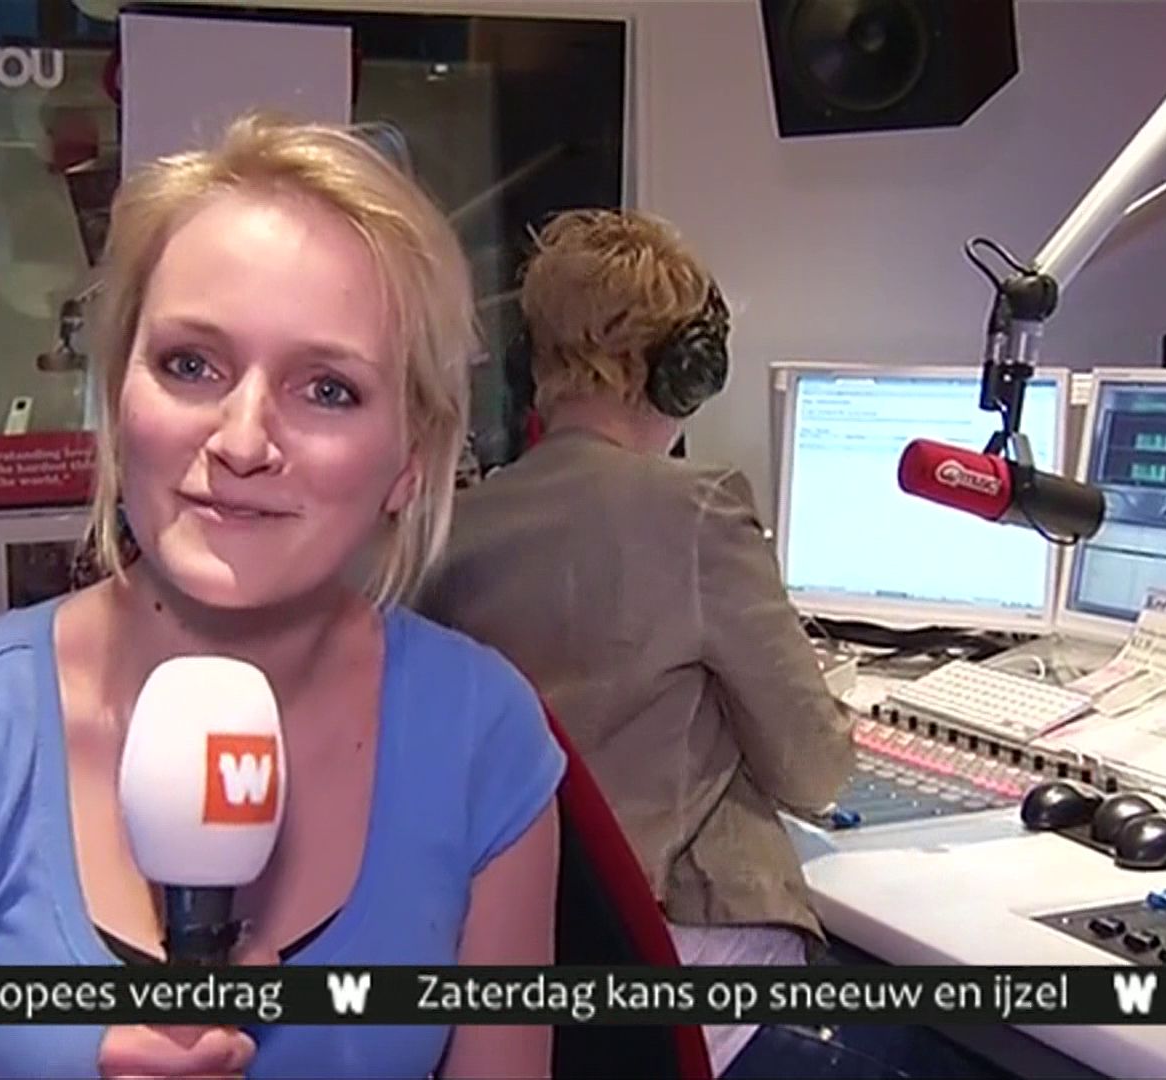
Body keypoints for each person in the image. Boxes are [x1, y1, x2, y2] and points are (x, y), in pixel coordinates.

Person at [0, 113, 564, 1080]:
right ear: (118, 396)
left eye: (327, 389)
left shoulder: (484, 739)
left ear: (410, 460)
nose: (241, 441)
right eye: (191, 365)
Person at [418, 210, 992, 1080]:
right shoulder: (698, 509)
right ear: (684, 370)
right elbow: (813, 771)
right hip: (698, 993)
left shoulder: (454, 531)